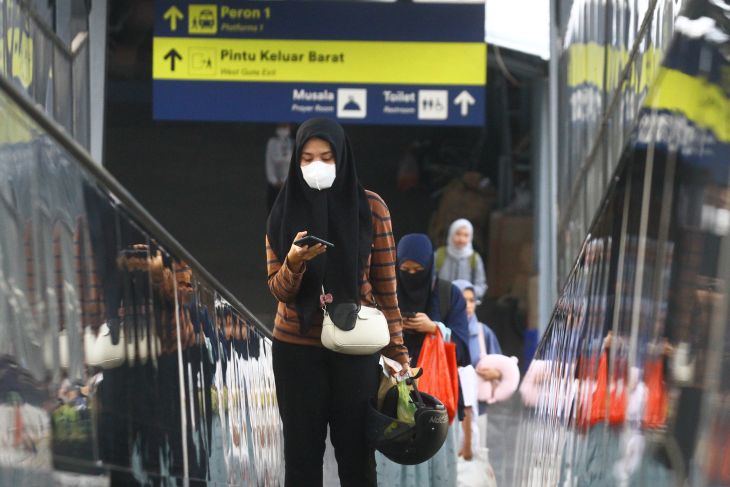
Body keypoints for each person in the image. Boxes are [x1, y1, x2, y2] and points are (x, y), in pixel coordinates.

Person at [265, 118, 410, 487]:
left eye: (327, 157)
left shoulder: (372, 208)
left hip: (355, 345)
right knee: (301, 458)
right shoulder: (282, 211)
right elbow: (279, 291)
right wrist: (294, 263)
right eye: (308, 157)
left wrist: (399, 353)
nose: (317, 164)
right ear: (296, 161)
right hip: (296, 347)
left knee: (358, 457)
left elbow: (386, 288)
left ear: (342, 156)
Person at [377, 233, 471, 487]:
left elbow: (464, 351)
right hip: (392, 398)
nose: (411, 275)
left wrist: (434, 328)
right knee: (392, 465)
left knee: (436, 467)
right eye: (405, 269)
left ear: (430, 267)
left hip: (436, 400)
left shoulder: (448, 295)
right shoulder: (385, 294)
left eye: (418, 270)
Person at [452, 279, 502, 461]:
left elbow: (503, 368)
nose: (468, 305)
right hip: (450, 412)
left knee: (476, 457)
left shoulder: (483, 332)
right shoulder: (444, 332)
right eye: (463, 300)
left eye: (472, 300)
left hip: (478, 411)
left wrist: (494, 374)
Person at [434, 218, 488, 300]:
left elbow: (481, 285)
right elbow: (431, 279)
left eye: (466, 235)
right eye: (458, 234)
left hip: (464, 305)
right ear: (451, 234)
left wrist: (467, 293)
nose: (461, 239)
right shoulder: (439, 255)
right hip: (441, 302)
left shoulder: (474, 258)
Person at [265, 122, 294, 211]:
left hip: (289, 185)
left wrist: (285, 181)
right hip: (274, 186)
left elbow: (293, 165)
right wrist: (274, 181)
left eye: (285, 126)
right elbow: (269, 164)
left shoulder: (293, 143)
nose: (283, 129)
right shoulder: (272, 143)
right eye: (281, 126)